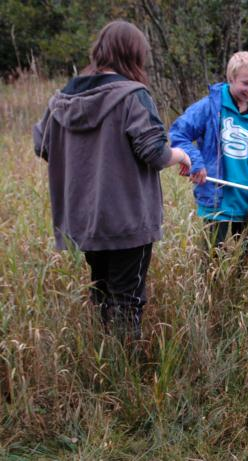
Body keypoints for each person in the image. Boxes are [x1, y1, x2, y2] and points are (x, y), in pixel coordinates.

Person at [33, 20, 191, 342]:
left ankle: (105, 364)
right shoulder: (133, 95)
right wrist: (182, 155)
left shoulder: (63, 97)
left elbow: (42, 144)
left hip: (84, 220)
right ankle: (125, 380)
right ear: (134, 54)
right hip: (127, 221)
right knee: (127, 301)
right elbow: (155, 153)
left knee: (103, 294)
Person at [170, 51, 248, 258]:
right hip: (217, 201)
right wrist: (196, 162)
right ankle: (214, 292)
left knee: (247, 264)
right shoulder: (210, 107)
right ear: (231, 78)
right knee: (212, 261)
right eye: (246, 83)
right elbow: (178, 134)